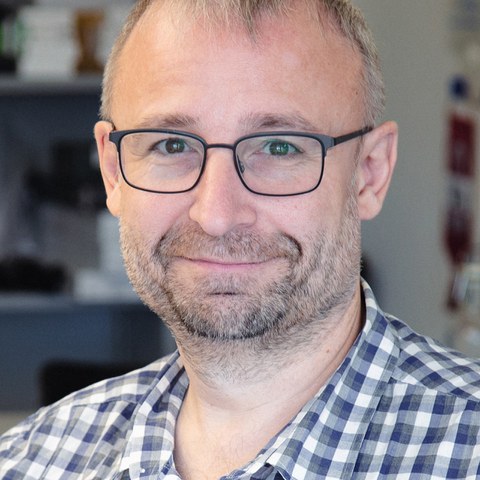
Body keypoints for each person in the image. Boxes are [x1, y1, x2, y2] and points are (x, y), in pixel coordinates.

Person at [1, 0, 480, 478]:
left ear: (369, 174)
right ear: (113, 172)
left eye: (279, 146)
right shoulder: (28, 462)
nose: (216, 216)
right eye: (171, 145)